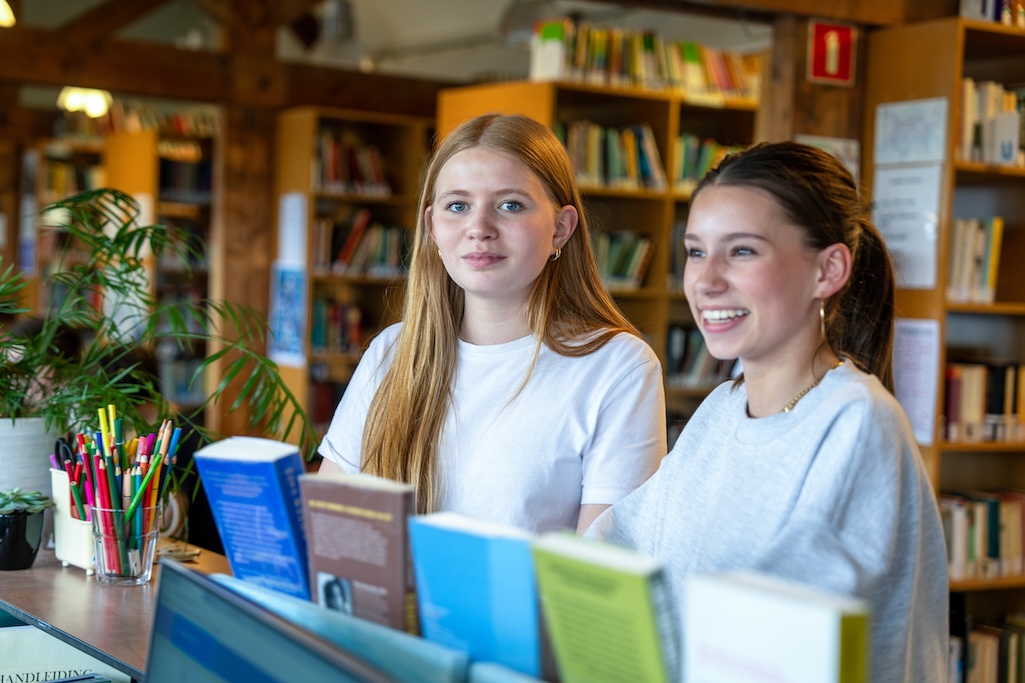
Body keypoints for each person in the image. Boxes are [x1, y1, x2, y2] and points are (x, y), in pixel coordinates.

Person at [586, 141, 949, 680]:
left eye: (742, 251)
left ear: (828, 271)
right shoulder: (720, 411)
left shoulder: (858, 422)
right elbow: (618, 550)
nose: (706, 280)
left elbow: (772, 645)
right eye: (694, 251)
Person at [319, 113, 666, 533]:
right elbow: (333, 530)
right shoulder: (392, 351)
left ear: (561, 228)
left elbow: (598, 574)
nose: (478, 229)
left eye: (510, 205)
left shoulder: (618, 366)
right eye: (458, 206)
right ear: (432, 227)